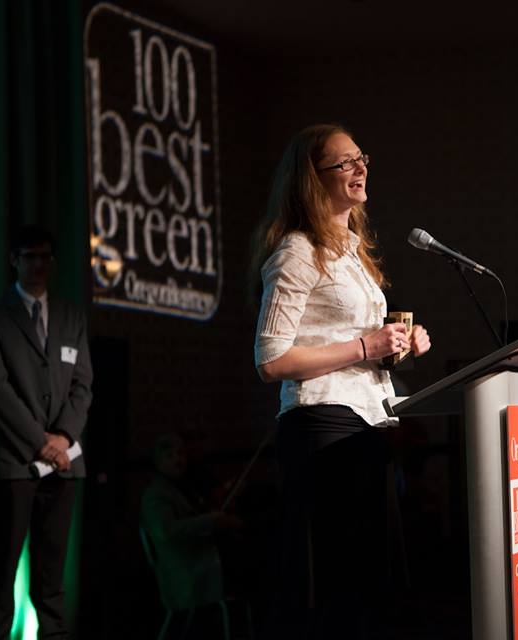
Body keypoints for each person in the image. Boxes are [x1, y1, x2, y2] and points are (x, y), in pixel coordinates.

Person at [250, 124, 431, 638]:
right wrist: (365, 346)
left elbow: (360, 352)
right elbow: (270, 359)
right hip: (322, 429)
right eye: (344, 162)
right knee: (337, 585)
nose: (360, 168)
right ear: (312, 179)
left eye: (361, 158)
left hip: (368, 422)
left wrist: (398, 347)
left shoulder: (353, 254)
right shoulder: (296, 253)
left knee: (371, 585)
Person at [0, 225, 93, 640]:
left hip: (65, 466)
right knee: (2, 574)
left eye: (45, 257)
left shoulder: (72, 315)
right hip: (15, 463)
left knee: (51, 577)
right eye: (29, 256)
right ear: (14, 261)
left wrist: (63, 439)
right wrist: (41, 443)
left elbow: (83, 385)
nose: (38, 264)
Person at [140, 433, 243, 635]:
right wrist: (212, 520)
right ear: (158, 462)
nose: (178, 460)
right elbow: (167, 531)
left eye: (180, 454)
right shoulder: (156, 495)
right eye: (170, 456)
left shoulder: (178, 487)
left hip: (197, 563)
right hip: (188, 572)